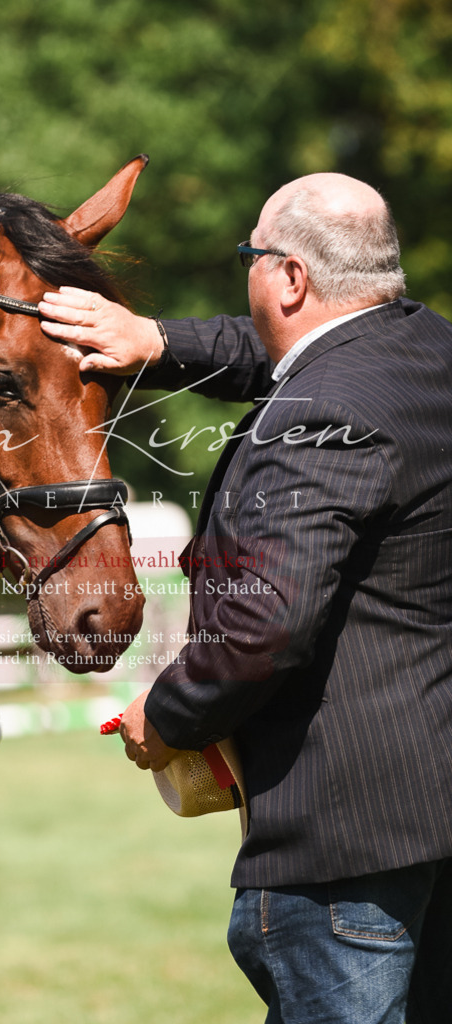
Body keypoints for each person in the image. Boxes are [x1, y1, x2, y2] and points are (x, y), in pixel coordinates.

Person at [38, 172, 452, 1024]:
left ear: (290, 276)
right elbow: (285, 349)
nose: (246, 274)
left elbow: (265, 627)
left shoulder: (317, 412)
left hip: (341, 851)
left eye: (249, 256)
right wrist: (155, 339)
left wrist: (169, 714)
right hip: (427, 818)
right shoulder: (427, 352)